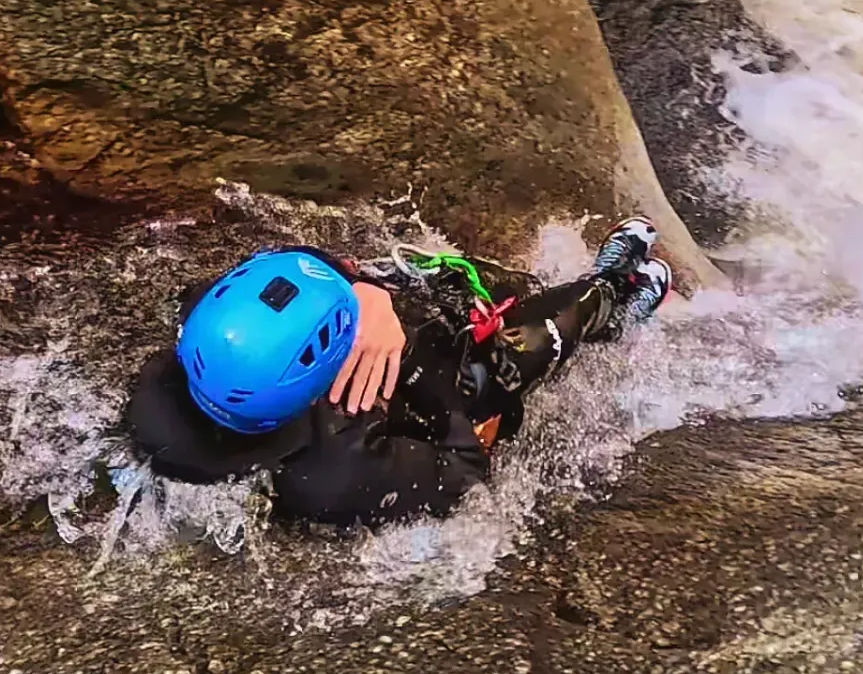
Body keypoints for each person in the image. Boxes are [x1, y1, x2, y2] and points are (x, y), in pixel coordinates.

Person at [123, 218, 673, 526]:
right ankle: (608, 298)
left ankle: (588, 292)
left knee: (492, 287)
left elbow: (287, 266)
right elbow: (465, 470)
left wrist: (368, 295)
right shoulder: (334, 471)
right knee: (528, 345)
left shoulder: (204, 338)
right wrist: (419, 376)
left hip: (382, 324)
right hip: (434, 392)